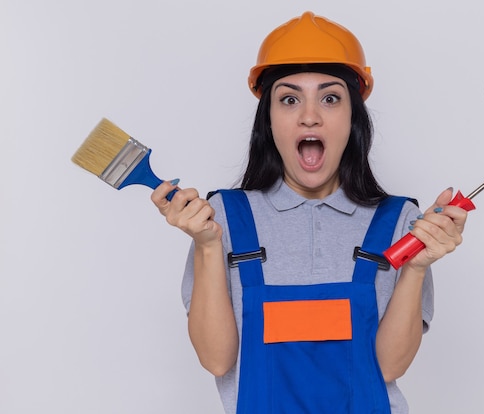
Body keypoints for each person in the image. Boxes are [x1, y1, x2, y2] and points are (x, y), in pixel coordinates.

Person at [151, 11, 467, 414]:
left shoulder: (402, 224)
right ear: (269, 120)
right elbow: (217, 359)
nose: (309, 115)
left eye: (331, 98)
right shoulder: (220, 219)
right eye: (289, 99)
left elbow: (387, 368)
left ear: (353, 117)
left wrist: (417, 268)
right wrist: (208, 246)